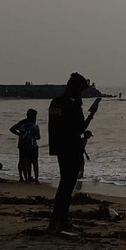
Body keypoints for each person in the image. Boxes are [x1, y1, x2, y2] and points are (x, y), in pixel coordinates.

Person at [48, 72, 101, 233]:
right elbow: (80, 128)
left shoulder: (56, 102)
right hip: (70, 148)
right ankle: (60, 221)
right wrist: (91, 114)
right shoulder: (72, 105)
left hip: (58, 146)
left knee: (64, 184)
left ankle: (58, 220)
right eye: (81, 91)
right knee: (67, 186)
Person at [10, 108, 40, 183]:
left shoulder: (22, 123)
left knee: (23, 161)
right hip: (32, 145)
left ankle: (24, 178)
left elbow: (12, 129)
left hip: (22, 144)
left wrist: (19, 134)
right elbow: (38, 137)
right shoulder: (35, 126)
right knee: (34, 162)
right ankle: (36, 179)